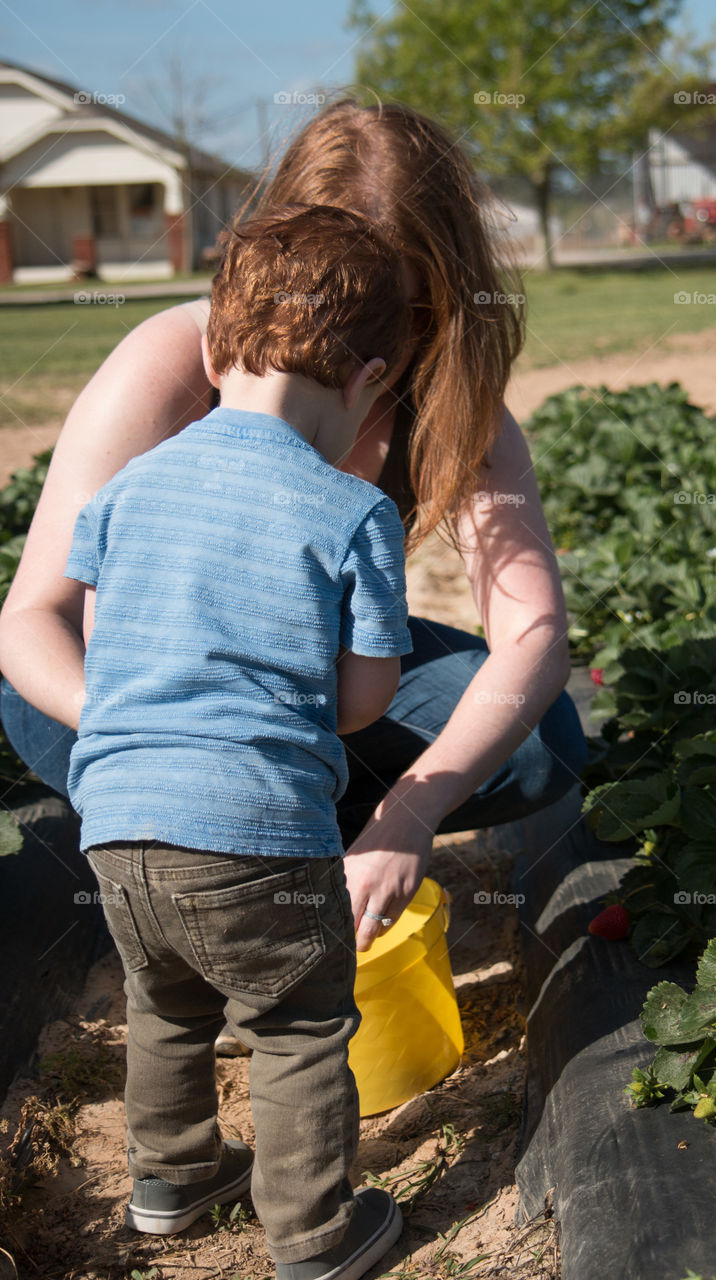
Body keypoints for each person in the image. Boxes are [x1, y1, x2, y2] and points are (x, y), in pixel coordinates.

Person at [0, 97, 588, 958]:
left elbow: (532, 638)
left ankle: (309, 845)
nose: (364, 347)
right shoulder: (173, 360)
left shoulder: (450, 401)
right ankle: (227, 846)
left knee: (539, 744)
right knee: (36, 711)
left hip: (312, 681)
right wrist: (166, 737)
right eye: (340, 296)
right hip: (136, 681)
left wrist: (410, 813)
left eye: (406, 314)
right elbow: (30, 621)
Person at [43, 205, 413, 1276]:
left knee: (165, 1003)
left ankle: (170, 1179)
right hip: (255, 832)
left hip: (116, 826)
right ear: (368, 381)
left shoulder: (128, 489)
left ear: (212, 349)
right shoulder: (350, 510)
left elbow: (113, 654)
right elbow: (360, 698)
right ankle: (312, 1234)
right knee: (297, 1022)